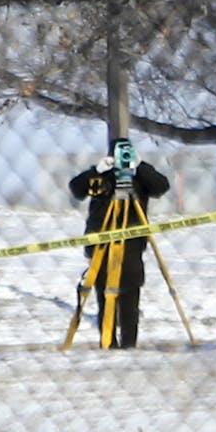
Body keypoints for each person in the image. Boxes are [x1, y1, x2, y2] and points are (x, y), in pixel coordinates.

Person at [68, 137, 171, 349]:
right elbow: (76, 190)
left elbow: (161, 187)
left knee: (130, 296)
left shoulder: (140, 176)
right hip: (102, 245)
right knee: (105, 296)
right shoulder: (101, 175)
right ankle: (108, 342)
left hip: (132, 244)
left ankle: (129, 344)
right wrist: (96, 170)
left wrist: (140, 166)